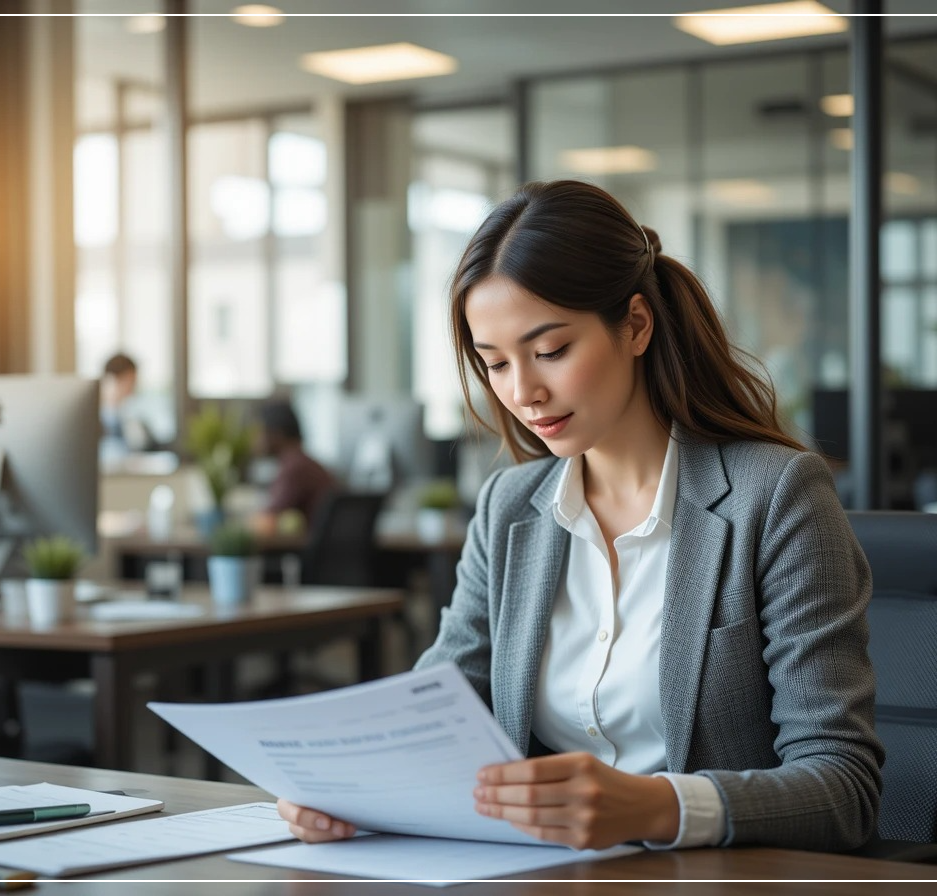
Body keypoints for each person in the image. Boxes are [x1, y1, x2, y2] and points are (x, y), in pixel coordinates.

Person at [277, 180, 883, 853]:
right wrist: (348, 786)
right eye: (496, 364)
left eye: (551, 351)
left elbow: (843, 785)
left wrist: (659, 808)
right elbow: (436, 708)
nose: (523, 393)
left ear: (636, 325)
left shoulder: (775, 496)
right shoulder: (510, 508)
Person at [252, 399, 339, 532]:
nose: (255, 439)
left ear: (276, 434)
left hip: (311, 549)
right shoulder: (306, 463)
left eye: (259, 432)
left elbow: (269, 518)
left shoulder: (294, 468)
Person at [99, 352, 156, 457]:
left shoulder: (129, 417)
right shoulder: (96, 420)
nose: (134, 387)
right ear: (113, 380)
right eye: (131, 381)